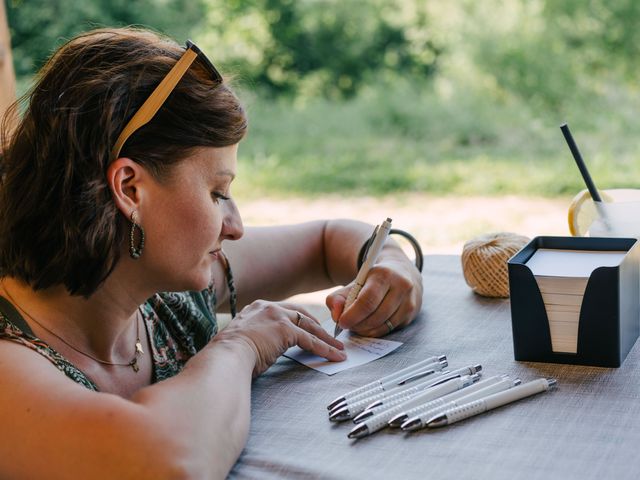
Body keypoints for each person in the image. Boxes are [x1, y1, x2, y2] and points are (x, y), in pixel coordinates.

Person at [0, 27, 423, 479]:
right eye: (218, 192)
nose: (235, 227)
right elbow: (168, 464)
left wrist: (387, 264)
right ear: (129, 188)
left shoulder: (157, 289)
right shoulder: (11, 363)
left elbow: (326, 242)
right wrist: (240, 345)